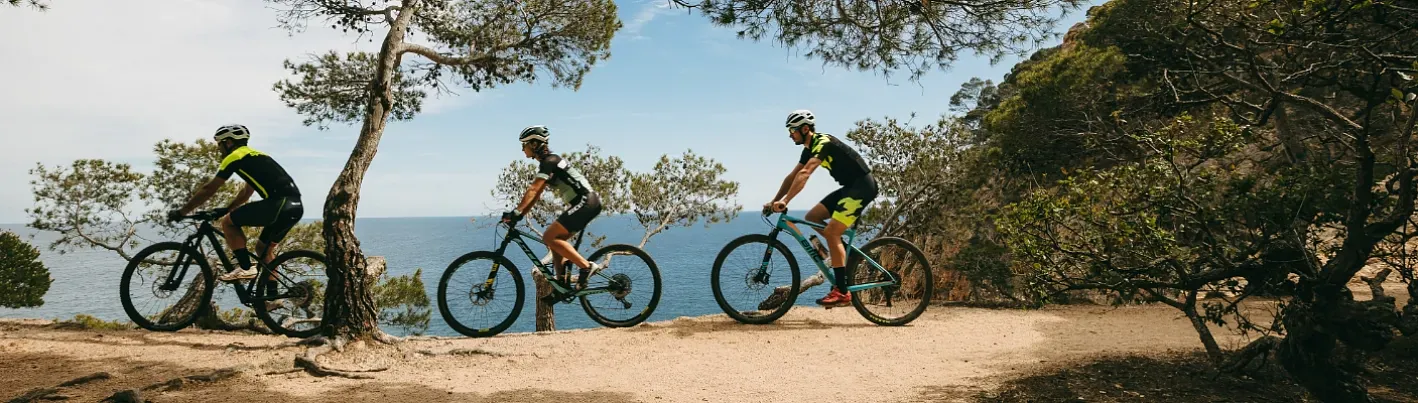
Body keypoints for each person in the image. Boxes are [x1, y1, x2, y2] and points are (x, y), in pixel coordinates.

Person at [766, 109, 879, 308]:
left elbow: (805, 173)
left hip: (862, 187)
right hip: (849, 188)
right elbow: (793, 176)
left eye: (792, 130)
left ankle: (842, 292)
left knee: (831, 233)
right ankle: (843, 253)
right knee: (813, 216)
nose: (790, 134)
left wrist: (787, 201)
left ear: (805, 128)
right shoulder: (809, 147)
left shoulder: (822, 142)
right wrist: (774, 200)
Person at [168, 124, 304, 282]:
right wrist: (227, 208)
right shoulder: (258, 156)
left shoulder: (234, 157)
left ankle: (246, 268)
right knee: (263, 250)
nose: (219, 149)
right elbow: (247, 192)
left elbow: (209, 189)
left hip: (278, 204)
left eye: (220, 144)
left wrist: (183, 211)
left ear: (229, 142)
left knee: (228, 223)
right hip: (294, 208)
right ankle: (271, 298)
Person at [502, 125, 605, 291]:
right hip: (586, 203)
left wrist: (516, 212)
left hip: (586, 202)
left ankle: (586, 266)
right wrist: (520, 215)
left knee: (549, 237)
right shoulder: (548, 163)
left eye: (524, 145)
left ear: (534, 144)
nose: (522, 149)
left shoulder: (550, 161)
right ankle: (562, 286)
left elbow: (533, 189)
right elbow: (536, 195)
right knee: (556, 243)